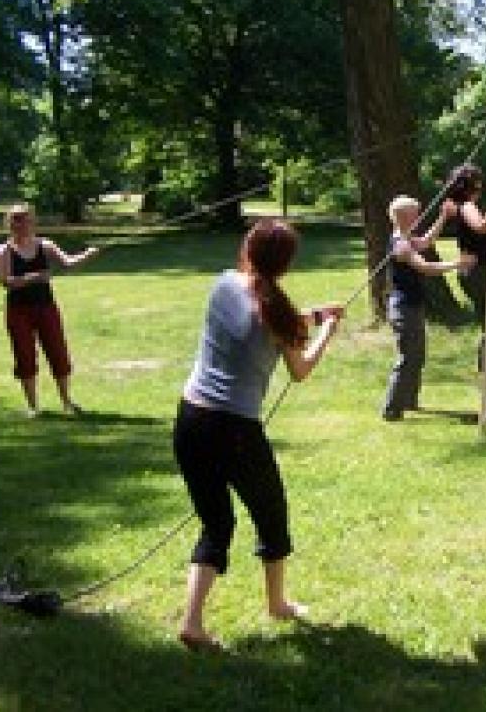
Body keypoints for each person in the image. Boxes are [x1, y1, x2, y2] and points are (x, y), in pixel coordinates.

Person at [174, 218, 342, 652]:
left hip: (191, 419)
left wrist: (310, 316)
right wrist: (325, 330)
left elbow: (262, 318)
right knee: (270, 513)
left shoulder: (224, 283)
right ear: (286, 264)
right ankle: (277, 603)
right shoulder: (278, 314)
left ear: (247, 249)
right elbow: (300, 369)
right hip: (235, 430)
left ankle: (192, 621)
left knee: (217, 522)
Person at [0, 204, 99, 416]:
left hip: (46, 307)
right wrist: (34, 277)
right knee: (24, 355)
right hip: (18, 311)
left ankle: (67, 402)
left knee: (57, 351)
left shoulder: (45, 245)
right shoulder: (5, 250)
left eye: (25, 219)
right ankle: (33, 407)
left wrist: (86, 255)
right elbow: (5, 281)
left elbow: (67, 263)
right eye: (16, 220)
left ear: (32, 222)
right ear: (9, 224)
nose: (21, 224)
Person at [381, 196, 475, 421]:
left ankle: (409, 400)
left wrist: (443, 217)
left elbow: (426, 241)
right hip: (403, 307)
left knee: (417, 355)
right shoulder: (400, 244)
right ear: (404, 217)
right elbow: (426, 267)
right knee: (408, 356)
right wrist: (458, 263)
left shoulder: (406, 238)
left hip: (412, 305)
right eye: (415, 213)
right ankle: (391, 407)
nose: (419, 216)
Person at [444, 164, 486, 394]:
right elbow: (480, 227)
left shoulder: (465, 205)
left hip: (478, 271)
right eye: (478, 182)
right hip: (476, 272)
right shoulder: (468, 205)